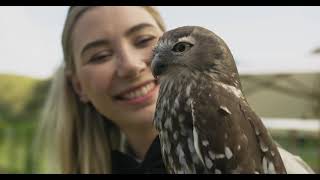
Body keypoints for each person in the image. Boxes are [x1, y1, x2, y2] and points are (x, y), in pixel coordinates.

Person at [39, 6, 315, 174]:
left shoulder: (217, 111)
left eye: (144, 40)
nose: (134, 66)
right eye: (100, 56)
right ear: (78, 86)